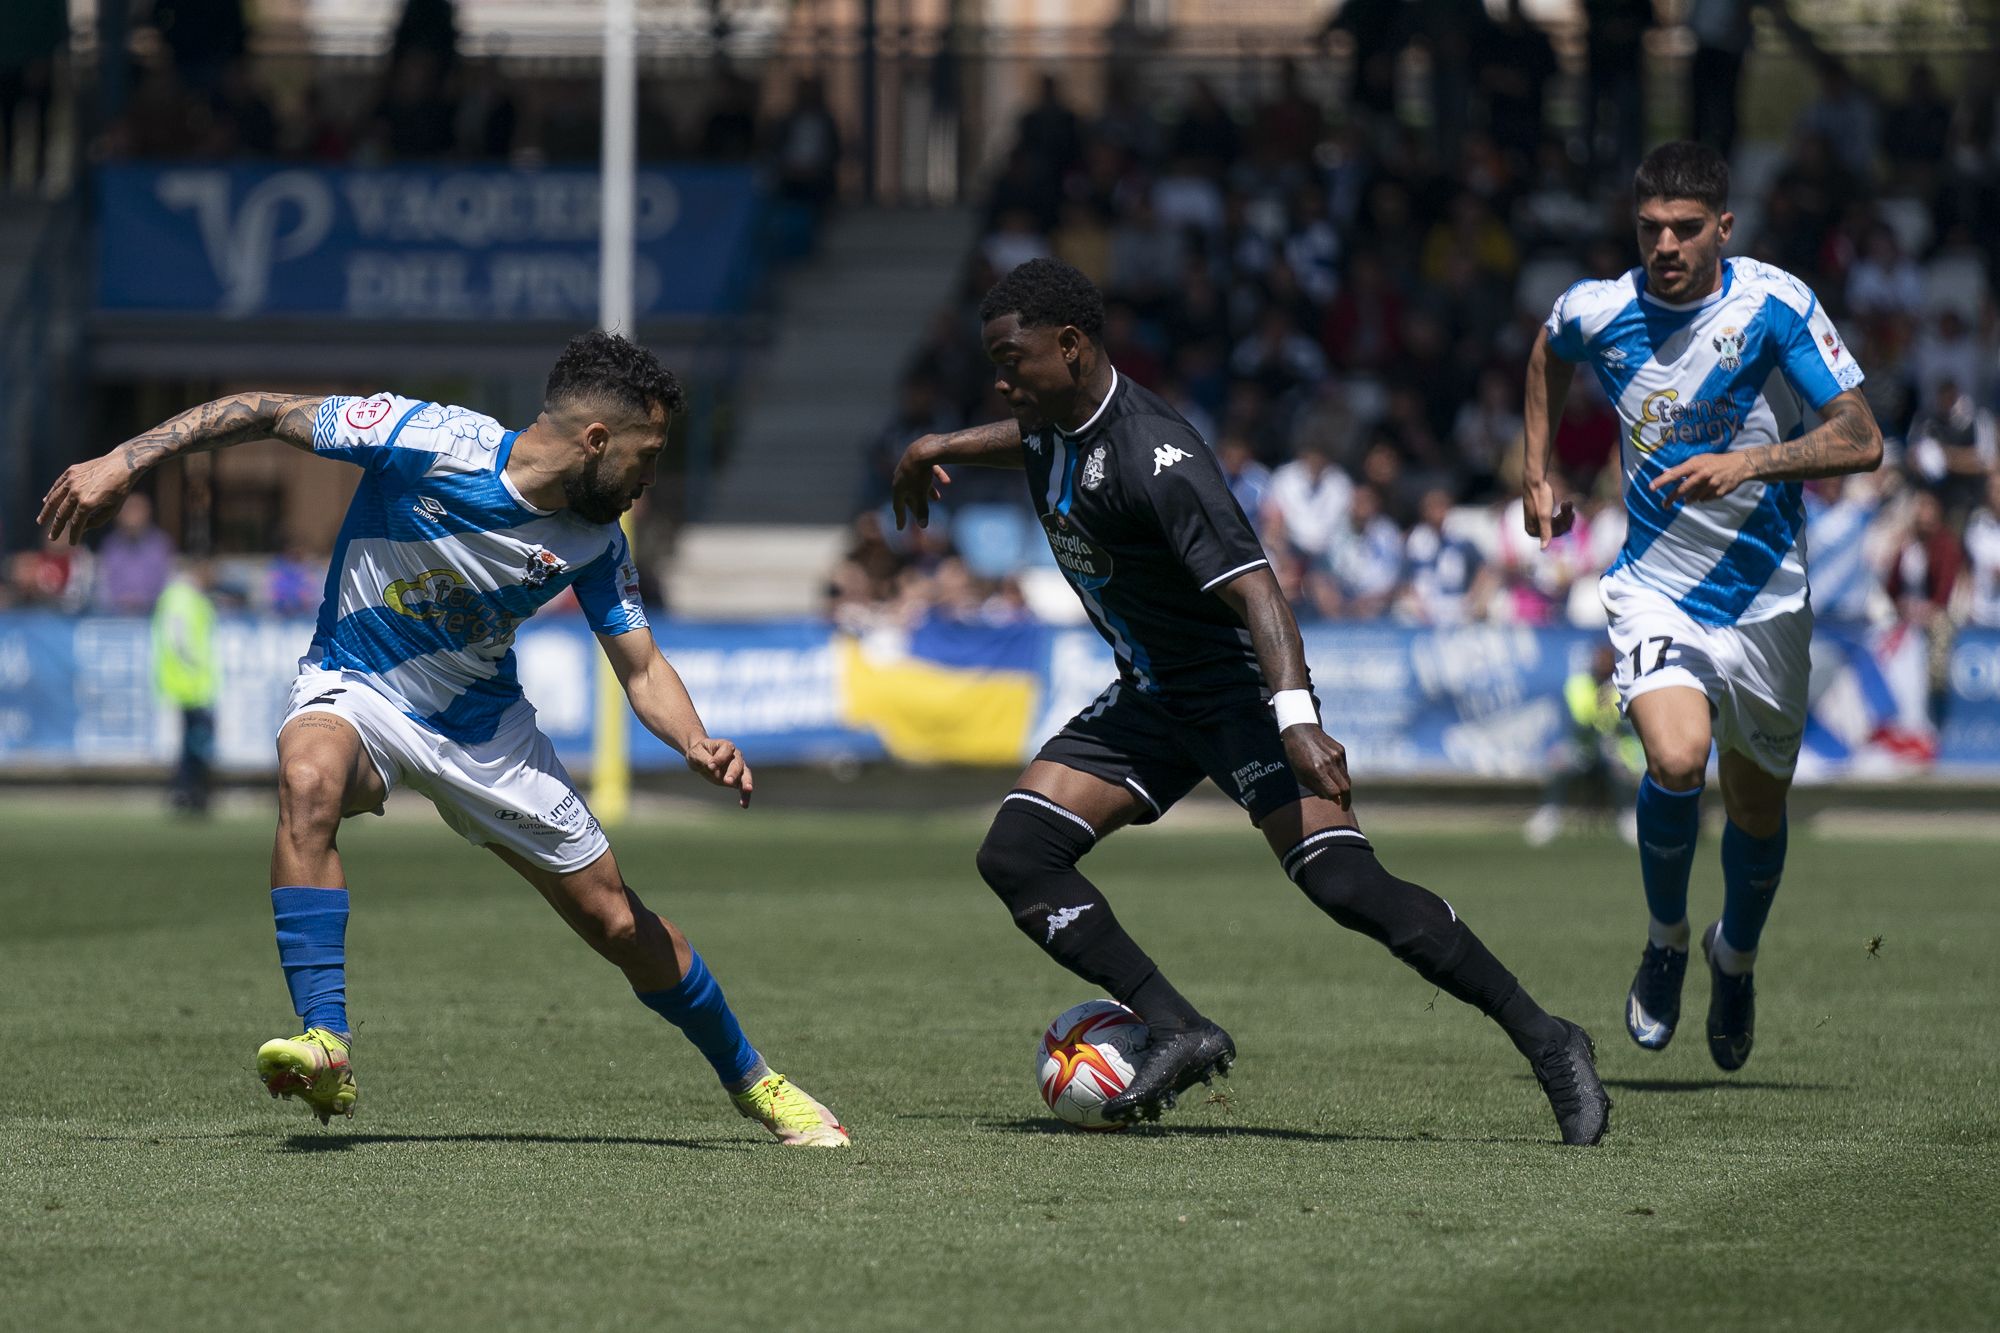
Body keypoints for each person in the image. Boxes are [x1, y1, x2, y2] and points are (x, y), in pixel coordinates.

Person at [38, 332, 849, 1147]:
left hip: (482, 730)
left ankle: (758, 1082)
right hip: (358, 683)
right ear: (596, 441)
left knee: (615, 922)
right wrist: (125, 459)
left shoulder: (596, 541)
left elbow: (640, 668)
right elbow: (265, 412)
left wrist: (696, 740)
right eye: (648, 455)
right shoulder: (421, 437)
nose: (650, 478)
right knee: (310, 779)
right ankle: (326, 1040)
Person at [890, 259, 1609, 1145]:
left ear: (1071, 347)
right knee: (1017, 852)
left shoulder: (1163, 458)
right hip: (1152, 701)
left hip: (1236, 697)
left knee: (1345, 883)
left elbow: (1261, 593)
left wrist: (1296, 720)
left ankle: (1550, 1041)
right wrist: (936, 448)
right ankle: (1175, 1025)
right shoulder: (1052, 421)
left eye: (1012, 359)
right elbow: (1024, 439)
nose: (1001, 378)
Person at [1523, 141, 1883, 1071]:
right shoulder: (1600, 309)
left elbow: (1862, 437)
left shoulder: (1773, 305)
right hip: (1655, 589)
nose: (1667, 245)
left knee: (1757, 811)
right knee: (1678, 757)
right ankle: (1666, 938)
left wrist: (1751, 460)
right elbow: (1546, 350)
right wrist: (1539, 471)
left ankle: (1736, 956)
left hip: (1768, 599)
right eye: (1650, 229)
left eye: (1687, 229)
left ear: (1724, 227)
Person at [1525, 646, 1642, 847]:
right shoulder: (1579, 685)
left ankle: (1628, 817)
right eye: (1600, 660)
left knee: (1617, 765)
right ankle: (1550, 814)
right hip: (1584, 745)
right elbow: (1578, 723)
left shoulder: (1622, 686)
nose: (1603, 665)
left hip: (1614, 747)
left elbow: (1626, 725)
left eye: (1607, 661)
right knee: (1561, 762)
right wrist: (1599, 707)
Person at [153, 558, 219, 816]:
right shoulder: (182, 597)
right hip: (189, 684)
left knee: (189, 741)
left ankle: (187, 791)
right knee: (194, 742)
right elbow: (179, 637)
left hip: (188, 683)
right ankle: (190, 792)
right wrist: (194, 661)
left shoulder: (181, 596)